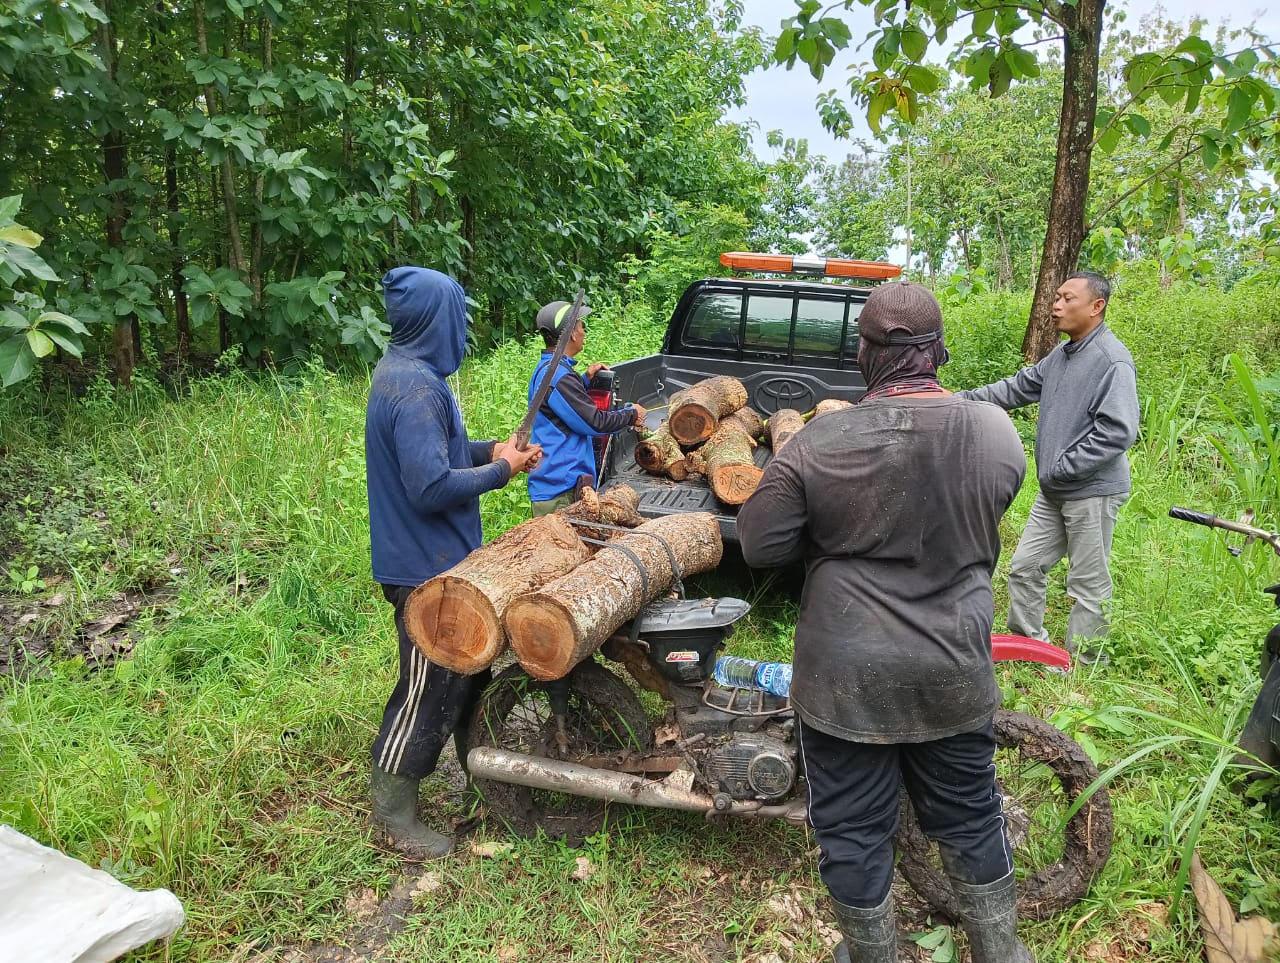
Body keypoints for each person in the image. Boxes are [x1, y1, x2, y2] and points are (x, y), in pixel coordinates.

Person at [738, 281, 1030, 963]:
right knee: (970, 813)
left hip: (847, 677)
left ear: (865, 355)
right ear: (938, 352)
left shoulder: (818, 441)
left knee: (851, 828)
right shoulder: (993, 430)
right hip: (953, 663)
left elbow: (759, 543)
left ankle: (873, 953)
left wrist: (828, 538)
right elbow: (995, 498)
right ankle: (1002, 951)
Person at [364, 266, 541, 859]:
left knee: (470, 672)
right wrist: (503, 472)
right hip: (422, 572)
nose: (461, 333)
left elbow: (438, 453)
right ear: (433, 322)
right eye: (455, 319)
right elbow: (430, 485)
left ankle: (482, 778)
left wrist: (491, 450)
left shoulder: (411, 376)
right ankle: (392, 810)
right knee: (428, 685)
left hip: (441, 563)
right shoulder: (414, 389)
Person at [957, 271, 1138, 665]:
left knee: (1086, 583)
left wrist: (1063, 468)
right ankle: (1030, 651)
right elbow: (1017, 388)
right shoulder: (1063, 354)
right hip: (1055, 490)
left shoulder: (1111, 360)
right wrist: (960, 401)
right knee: (1024, 568)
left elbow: (1117, 432)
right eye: (1055, 297)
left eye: (1066, 298)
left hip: (1091, 491)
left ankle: (1086, 664)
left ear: (1096, 306)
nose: (1056, 305)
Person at [525, 299, 646, 515]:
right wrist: (631, 414)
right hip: (559, 492)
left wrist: (584, 380)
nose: (584, 331)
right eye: (581, 325)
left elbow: (559, 407)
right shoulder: (559, 377)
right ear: (571, 333)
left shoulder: (549, 369)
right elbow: (595, 422)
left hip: (556, 486)